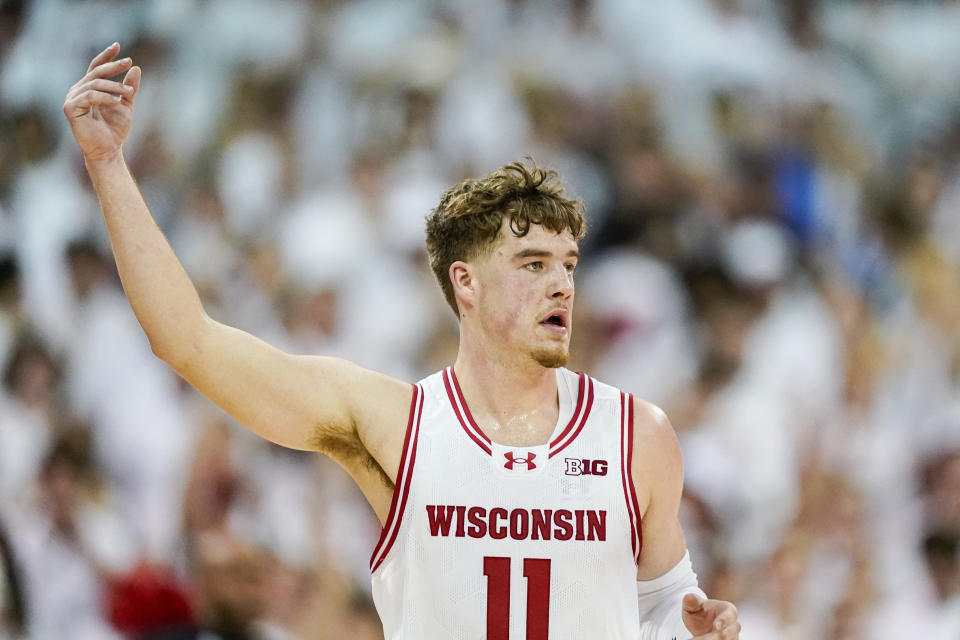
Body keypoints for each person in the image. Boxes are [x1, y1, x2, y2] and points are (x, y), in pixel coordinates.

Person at [63, 43, 742, 640]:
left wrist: (693, 628)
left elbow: (660, 603)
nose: (561, 284)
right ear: (466, 284)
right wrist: (108, 163)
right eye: (533, 265)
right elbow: (189, 342)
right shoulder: (395, 423)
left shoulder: (638, 435)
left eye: (568, 264)